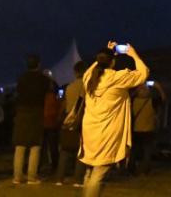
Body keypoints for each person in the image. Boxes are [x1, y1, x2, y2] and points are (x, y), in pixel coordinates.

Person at [80, 43, 149, 197]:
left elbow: (92, 69)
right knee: (99, 172)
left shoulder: (88, 78)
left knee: (90, 170)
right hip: (107, 132)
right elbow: (143, 73)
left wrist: (104, 55)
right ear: (113, 62)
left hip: (90, 131)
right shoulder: (118, 78)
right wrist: (133, 54)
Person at [13, 54, 47, 185]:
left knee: (20, 145)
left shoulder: (21, 78)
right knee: (35, 145)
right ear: (38, 64)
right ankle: (32, 176)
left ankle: (17, 176)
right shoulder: (43, 79)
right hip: (36, 112)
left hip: (22, 112)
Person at [55, 61, 88, 186]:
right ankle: (78, 179)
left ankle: (59, 178)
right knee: (81, 150)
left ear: (75, 72)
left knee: (66, 149)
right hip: (83, 119)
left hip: (69, 119)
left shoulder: (69, 87)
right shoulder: (88, 87)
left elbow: (65, 105)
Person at [129, 81, 160, 175]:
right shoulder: (152, 101)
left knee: (134, 151)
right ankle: (144, 170)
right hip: (147, 130)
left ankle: (132, 170)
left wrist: (136, 89)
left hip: (136, 130)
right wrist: (158, 88)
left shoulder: (133, 100)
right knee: (146, 152)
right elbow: (163, 99)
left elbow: (128, 97)